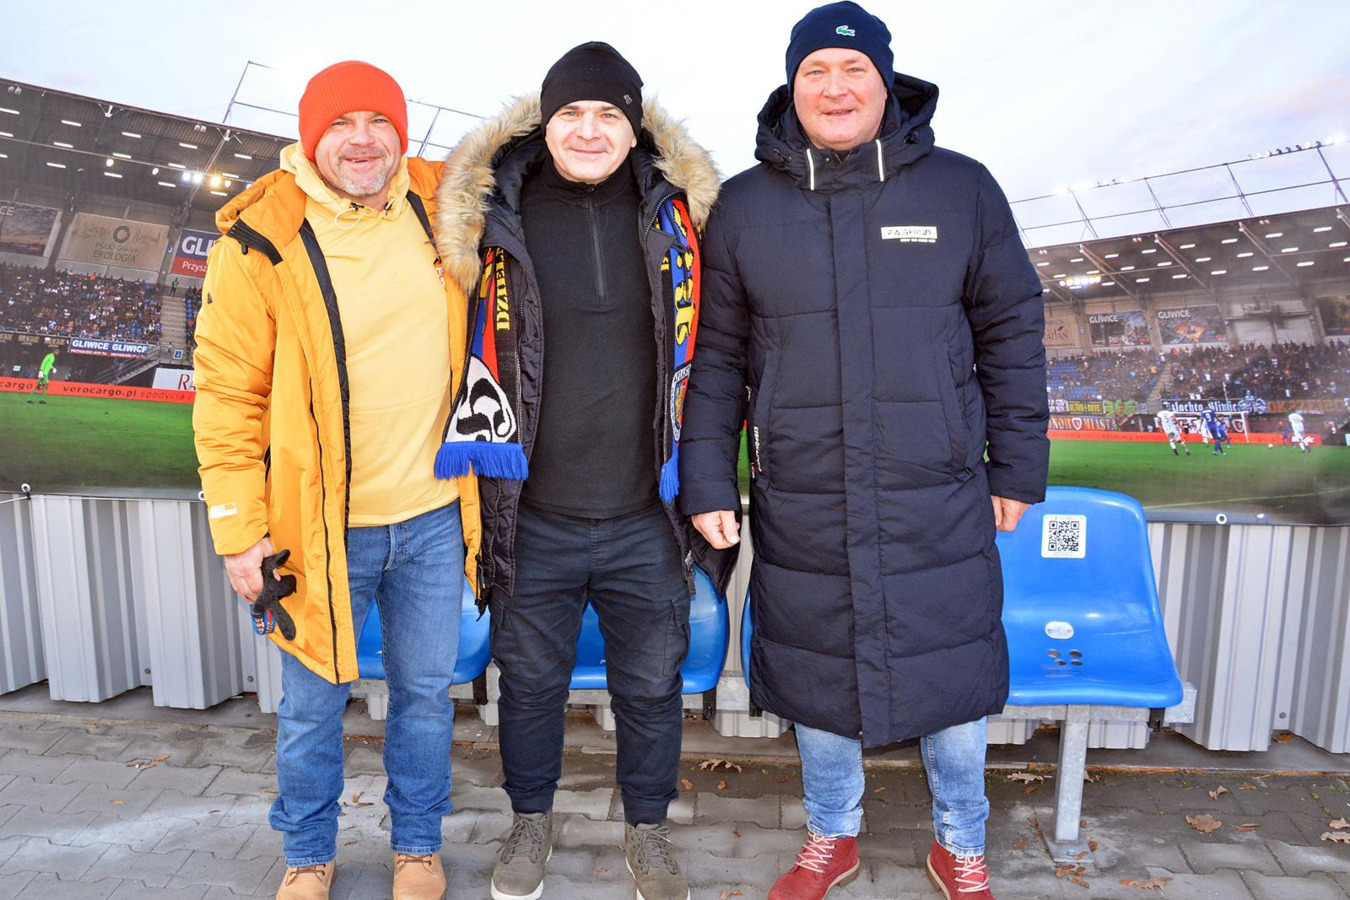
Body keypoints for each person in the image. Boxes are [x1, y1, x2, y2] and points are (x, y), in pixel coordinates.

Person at [678, 4, 1049, 899]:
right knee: (816, 667)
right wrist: (706, 478)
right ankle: (830, 837)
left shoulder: (961, 189)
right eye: (816, 72)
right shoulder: (743, 207)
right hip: (802, 486)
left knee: (950, 664)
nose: (835, 88)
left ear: (888, 85)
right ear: (791, 87)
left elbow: (1011, 331)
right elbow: (718, 358)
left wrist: (1017, 465)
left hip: (937, 485)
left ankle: (960, 843)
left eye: (854, 71)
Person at [434, 41, 719, 900]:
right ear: (545, 124)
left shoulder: (682, 220)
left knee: (651, 689)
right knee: (528, 687)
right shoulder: (491, 218)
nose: (588, 130)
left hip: (646, 514)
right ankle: (530, 822)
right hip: (532, 514)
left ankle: (648, 830)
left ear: (634, 128)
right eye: (570, 114)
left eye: (607, 115)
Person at [193, 60, 480, 900]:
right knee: (312, 704)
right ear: (310, 137)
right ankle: (309, 853)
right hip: (317, 530)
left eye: (379, 122)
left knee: (425, 697)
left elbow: (548, 147)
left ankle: (417, 847)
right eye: (342, 124)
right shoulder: (260, 239)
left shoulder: (441, 201)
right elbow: (227, 394)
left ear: (402, 133)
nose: (362, 141)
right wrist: (239, 530)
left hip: (433, 517)